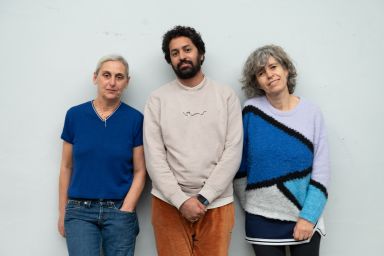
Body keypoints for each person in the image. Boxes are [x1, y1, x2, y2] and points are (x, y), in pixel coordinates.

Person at [143, 25, 243, 256]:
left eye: (187, 49)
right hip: (168, 203)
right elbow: (154, 156)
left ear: (200, 53)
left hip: (217, 203)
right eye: (175, 53)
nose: (182, 56)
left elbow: (233, 151)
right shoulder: (157, 99)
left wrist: (204, 197)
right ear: (170, 60)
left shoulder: (225, 96)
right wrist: (180, 200)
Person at [234, 45, 330, 256]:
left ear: (286, 69)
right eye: (261, 72)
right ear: (256, 82)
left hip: (304, 216)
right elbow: (239, 168)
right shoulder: (251, 112)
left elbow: (321, 172)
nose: (269, 75)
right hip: (261, 219)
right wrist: (253, 206)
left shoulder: (312, 113)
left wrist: (308, 217)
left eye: (273, 66)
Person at [58, 55, 146, 256]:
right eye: (106, 75)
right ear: (95, 77)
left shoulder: (135, 119)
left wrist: (128, 207)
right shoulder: (75, 115)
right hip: (79, 212)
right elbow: (66, 167)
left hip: (119, 211)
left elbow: (140, 171)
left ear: (127, 82)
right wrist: (62, 211)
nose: (112, 82)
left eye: (119, 77)